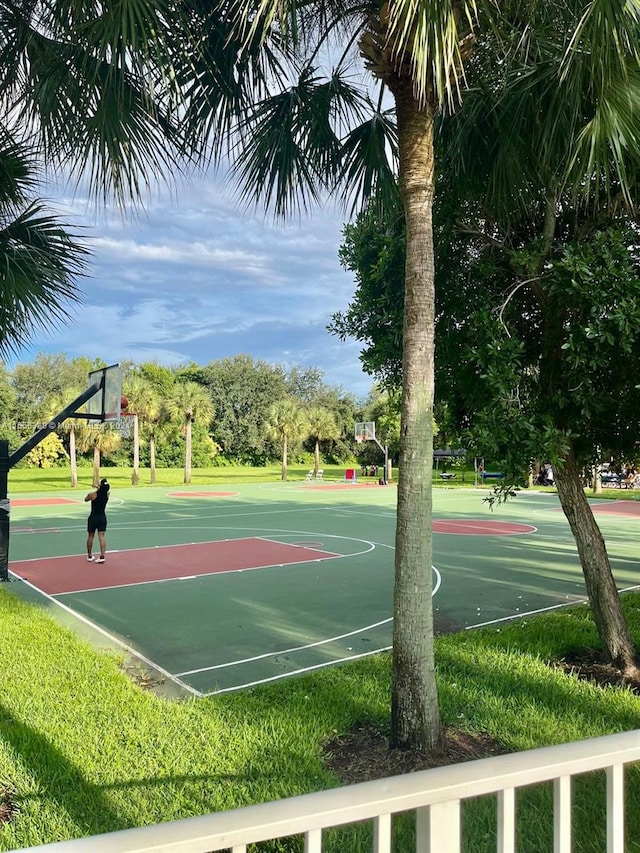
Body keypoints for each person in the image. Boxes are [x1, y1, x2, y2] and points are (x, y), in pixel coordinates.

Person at [85, 478, 110, 563]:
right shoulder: (107, 494)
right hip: (102, 517)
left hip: (93, 517)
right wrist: (99, 487)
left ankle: (89, 555)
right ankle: (102, 556)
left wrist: (96, 488)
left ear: (99, 486)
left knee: (90, 536)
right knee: (101, 537)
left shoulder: (92, 495)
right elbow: (104, 491)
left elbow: (86, 499)